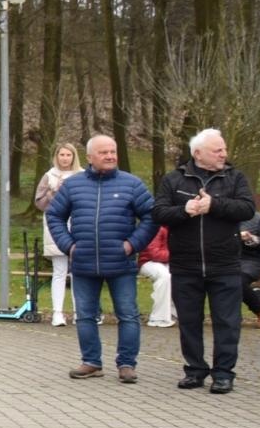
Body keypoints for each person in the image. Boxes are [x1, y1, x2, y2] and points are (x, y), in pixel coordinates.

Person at [152, 128, 257, 393]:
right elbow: (158, 212)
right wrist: (184, 210)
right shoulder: (174, 179)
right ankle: (195, 370)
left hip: (225, 264)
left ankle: (223, 374)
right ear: (197, 153)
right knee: (189, 321)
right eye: (217, 150)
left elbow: (247, 208)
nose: (224, 154)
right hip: (186, 264)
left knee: (227, 322)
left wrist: (215, 205)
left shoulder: (235, 178)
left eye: (223, 149)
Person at [44, 134, 156, 384]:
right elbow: (54, 216)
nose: (110, 156)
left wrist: (132, 245)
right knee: (84, 315)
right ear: (90, 157)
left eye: (113, 151)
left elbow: (151, 216)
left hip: (121, 263)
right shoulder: (73, 185)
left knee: (127, 314)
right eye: (104, 152)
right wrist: (68, 246)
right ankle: (91, 362)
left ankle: (127, 364)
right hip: (83, 263)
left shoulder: (132, 184)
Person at [33, 142, 83, 326]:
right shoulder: (49, 175)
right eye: (61, 155)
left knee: (79, 272)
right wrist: (53, 192)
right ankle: (57, 312)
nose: (65, 158)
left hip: (78, 226)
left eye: (68, 155)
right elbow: (39, 203)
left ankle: (80, 312)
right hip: (56, 226)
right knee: (59, 271)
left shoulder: (82, 175)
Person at [138, 227, 175, 328]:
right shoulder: (158, 228)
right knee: (165, 276)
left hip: (167, 261)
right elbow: (154, 253)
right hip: (147, 262)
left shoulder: (174, 228)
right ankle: (158, 318)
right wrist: (177, 255)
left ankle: (174, 312)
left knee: (181, 274)